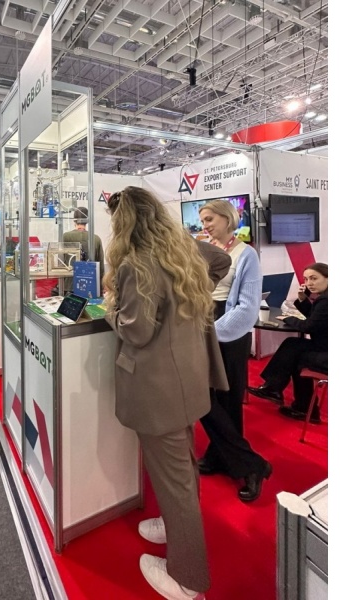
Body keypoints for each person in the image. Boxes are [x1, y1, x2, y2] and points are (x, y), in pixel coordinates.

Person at [102, 186, 228, 600]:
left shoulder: (136, 264)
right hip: (186, 383)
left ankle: (188, 579)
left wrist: (111, 308)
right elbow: (221, 260)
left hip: (157, 390)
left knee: (175, 481)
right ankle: (174, 527)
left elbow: (136, 330)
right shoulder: (184, 253)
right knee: (182, 468)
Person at [195, 200, 271, 503]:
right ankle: (239, 460)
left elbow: (247, 306)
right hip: (203, 324)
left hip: (230, 330)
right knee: (204, 397)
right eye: (203, 220)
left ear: (228, 219)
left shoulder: (246, 254)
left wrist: (213, 333)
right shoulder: (203, 249)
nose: (205, 225)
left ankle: (239, 462)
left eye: (210, 219)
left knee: (227, 399)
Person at [248, 263, 328, 423]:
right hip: (324, 345)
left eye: (314, 278)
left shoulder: (326, 300)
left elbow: (308, 326)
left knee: (296, 356)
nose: (309, 283)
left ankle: (287, 397)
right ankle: (280, 392)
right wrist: (303, 300)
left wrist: (288, 318)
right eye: (306, 279)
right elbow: (315, 319)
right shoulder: (324, 298)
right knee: (293, 344)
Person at [62, 206, 105, 295]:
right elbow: (100, 267)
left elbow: (61, 262)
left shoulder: (65, 237)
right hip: (91, 286)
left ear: (74, 220)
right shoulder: (96, 239)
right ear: (87, 221)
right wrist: (101, 287)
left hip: (69, 285)